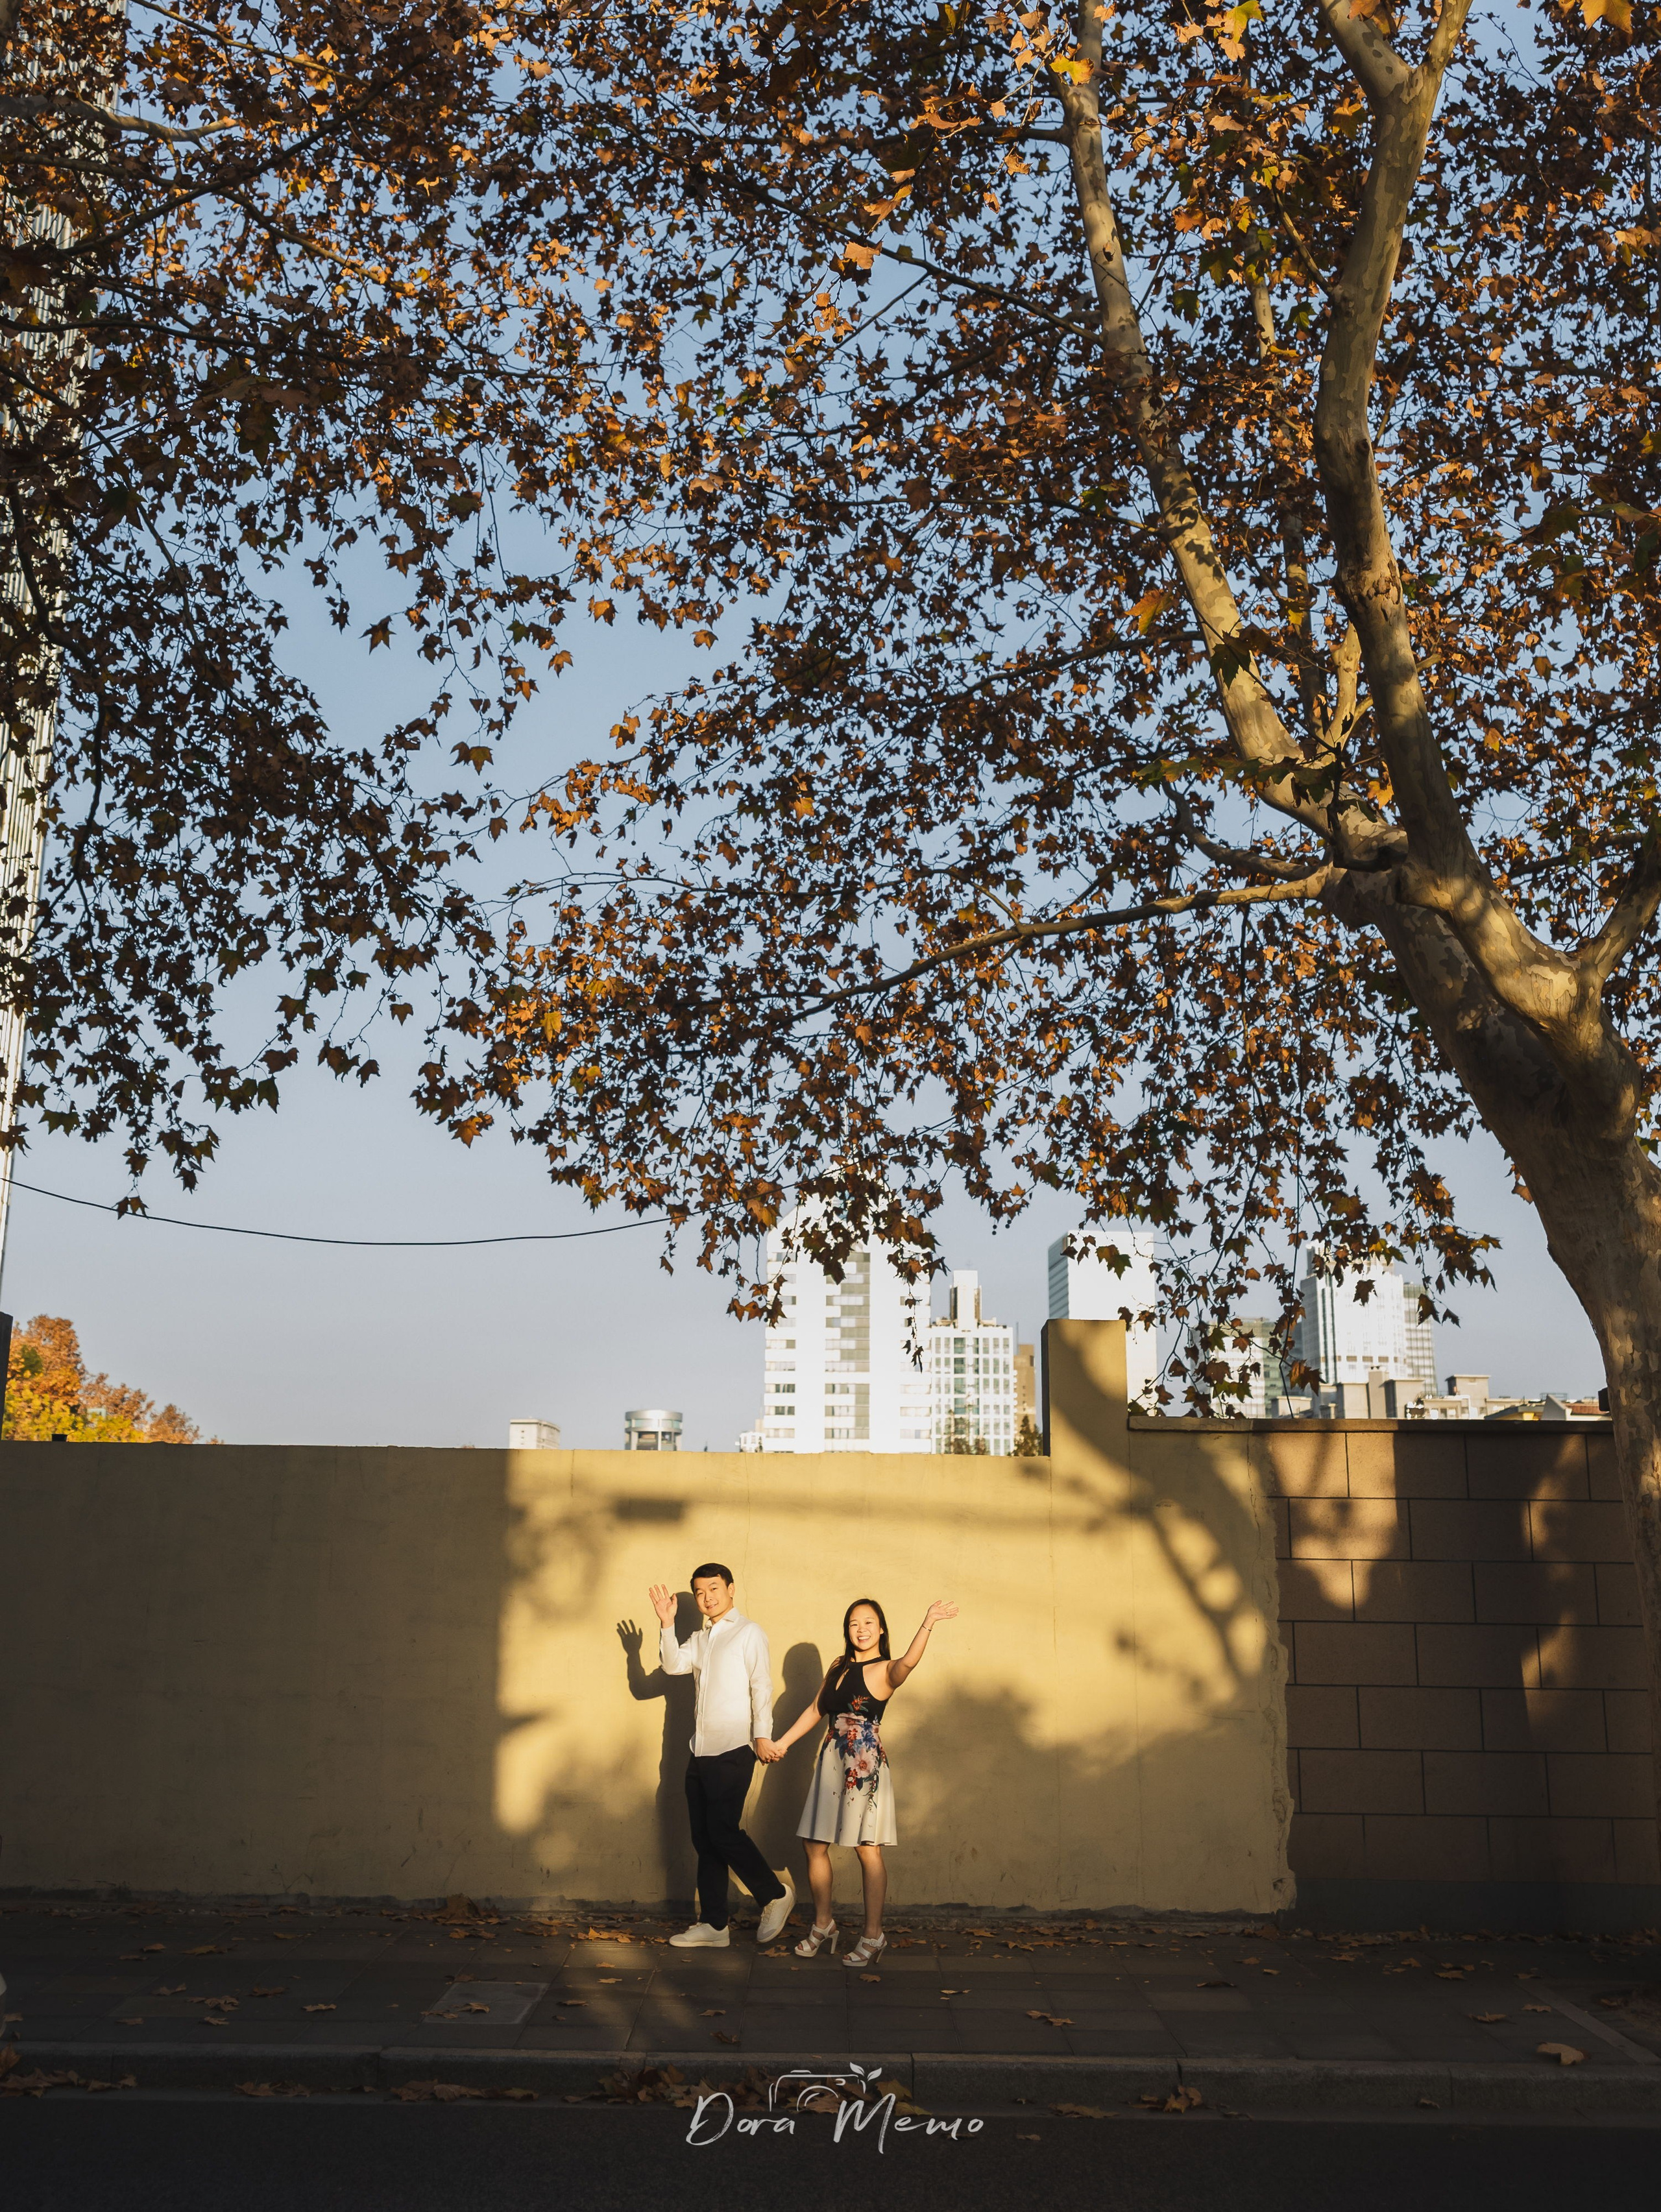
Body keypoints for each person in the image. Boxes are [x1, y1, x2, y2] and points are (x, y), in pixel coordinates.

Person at [757, 1596, 957, 1969]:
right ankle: (823, 1924)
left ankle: (873, 1934)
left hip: (863, 1763)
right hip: (832, 1757)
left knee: (868, 1848)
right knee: (814, 1844)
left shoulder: (888, 1669)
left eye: (868, 1622)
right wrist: (782, 1743)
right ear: (846, 1630)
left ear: (881, 1629)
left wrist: (927, 1622)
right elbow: (817, 1708)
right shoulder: (839, 1666)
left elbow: (910, 1662)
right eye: (853, 1623)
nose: (861, 1629)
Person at [649, 1564, 795, 1949]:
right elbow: (672, 1665)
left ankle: (774, 1895)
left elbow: (761, 1684)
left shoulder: (749, 1633)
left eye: (713, 1589)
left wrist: (762, 1735)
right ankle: (714, 1925)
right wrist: (667, 1624)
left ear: (731, 1589)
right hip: (700, 1750)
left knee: (723, 1831)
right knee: (704, 1838)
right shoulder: (701, 1638)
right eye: (699, 1592)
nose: (707, 1597)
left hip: (734, 1747)